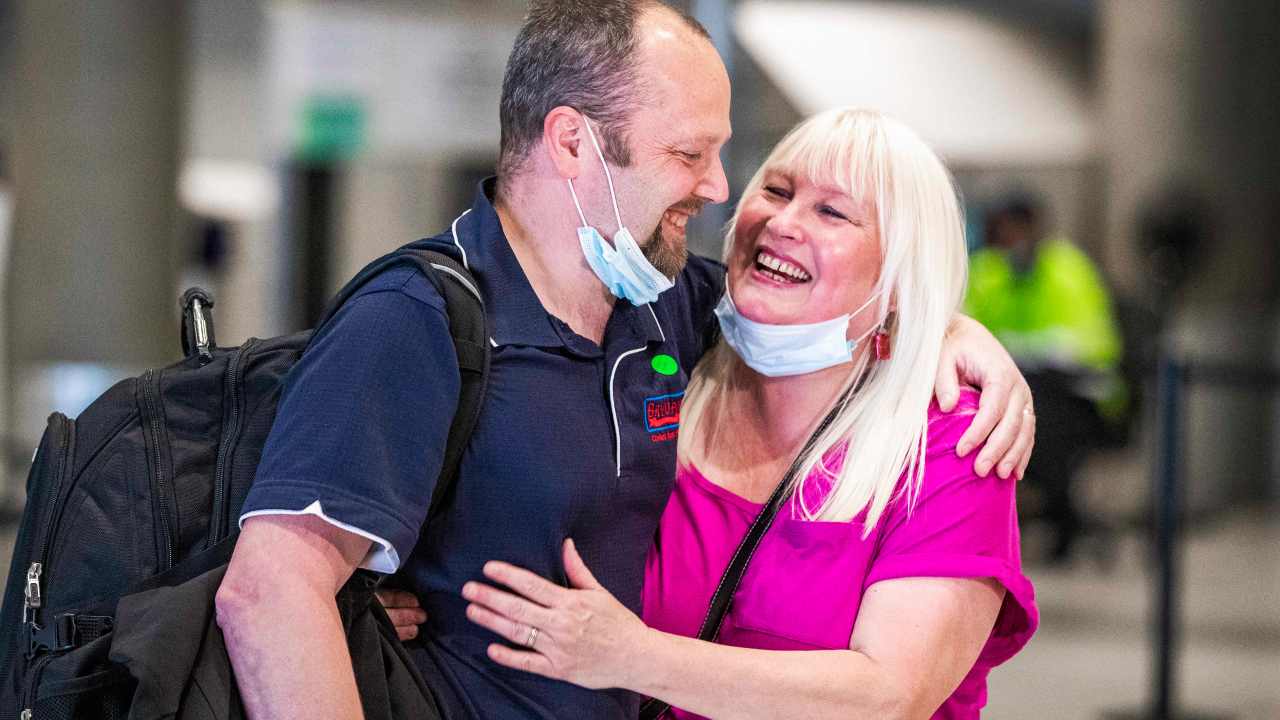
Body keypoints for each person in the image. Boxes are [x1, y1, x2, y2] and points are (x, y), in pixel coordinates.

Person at [215, 3, 1035, 719]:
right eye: (688, 155)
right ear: (572, 143)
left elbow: (830, 303)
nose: (718, 188)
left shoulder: (660, 306)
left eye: (723, 158)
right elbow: (269, 593)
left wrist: (952, 332)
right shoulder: (418, 319)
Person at [458, 109, 1038, 719]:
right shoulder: (665, 372)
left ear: (899, 276)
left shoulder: (951, 442)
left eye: (832, 212)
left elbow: (888, 695)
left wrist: (633, 655)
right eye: (777, 191)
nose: (783, 222)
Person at [966, 193, 1125, 561]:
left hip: (1081, 396)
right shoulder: (987, 271)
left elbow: (1095, 344)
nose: (1011, 237)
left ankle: (1058, 517)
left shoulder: (1068, 269)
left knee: (1043, 420)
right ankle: (1038, 514)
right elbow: (965, 329)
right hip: (1015, 391)